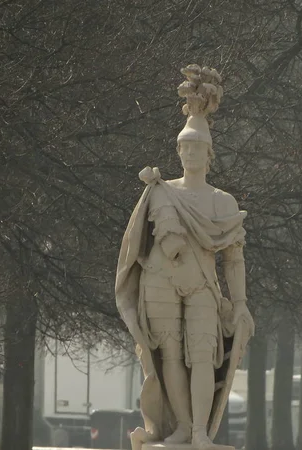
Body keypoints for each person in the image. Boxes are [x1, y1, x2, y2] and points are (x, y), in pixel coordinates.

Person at [116, 65, 254, 450]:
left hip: (202, 285)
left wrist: (240, 303)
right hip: (159, 281)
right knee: (169, 356)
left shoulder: (222, 201)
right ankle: (182, 427)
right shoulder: (160, 191)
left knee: (202, 356)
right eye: (186, 147)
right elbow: (137, 243)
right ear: (178, 150)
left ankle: (199, 433)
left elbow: (233, 259)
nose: (191, 153)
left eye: (198, 148)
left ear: (209, 153)